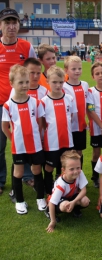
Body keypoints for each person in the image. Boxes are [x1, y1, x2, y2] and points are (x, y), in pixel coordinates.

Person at [0, 7, 36, 195]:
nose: (11, 26)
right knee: (0, 143)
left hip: (22, 102)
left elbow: (34, 70)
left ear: (18, 25)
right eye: (7, 22)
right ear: (1, 25)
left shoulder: (26, 46)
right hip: (1, 103)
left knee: (27, 139)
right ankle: (0, 180)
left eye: (14, 22)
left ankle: (28, 175)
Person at [2, 65, 46, 214]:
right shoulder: (8, 106)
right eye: (20, 82)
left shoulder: (35, 102)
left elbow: (40, 123)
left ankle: (41, 198)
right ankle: (20, 201)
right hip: (19, 147)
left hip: (35, 145)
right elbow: (4, 127)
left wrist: (37, 137)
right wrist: (14, 140)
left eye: (26, 82)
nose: (25, 85)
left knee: (36, 170)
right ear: (12, 84)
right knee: (18, 173)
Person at [41, 66, 77, 195]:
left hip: (67, 141)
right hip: (52, 142)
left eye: (61, 82)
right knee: (49, 167)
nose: (58, 85)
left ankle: (66, 190)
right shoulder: (44, 102)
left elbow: (71, 117)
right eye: (54, 82)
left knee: (67, 167)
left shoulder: (69, 99)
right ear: (48, 82)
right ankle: (49, 191)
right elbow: (42, 122)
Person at [45, 150, 90, 232]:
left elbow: (83, 190)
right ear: (63, 170)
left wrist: (73, 202)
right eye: (71, 169)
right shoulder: (61, 184)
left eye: (78, 168)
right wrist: (53, 221)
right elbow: (52, 202)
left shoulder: (80, 173)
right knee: (64, 205)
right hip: (58, 201)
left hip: (71, 198)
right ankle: (49, 212)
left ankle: (75, 209)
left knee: (85, 201)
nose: (76, 171)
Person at [63, 56, 89, 166]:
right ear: (66, 70)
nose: (77, 71)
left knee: (79, 152)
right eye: (73, 69)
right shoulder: (63, 86)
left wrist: (91, 119)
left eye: (79, 68)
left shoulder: (85, 85)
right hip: (67, 127)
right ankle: (62, 176)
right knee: (67, 153)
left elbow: (89, 105)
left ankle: (78, 175)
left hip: (81, 126)